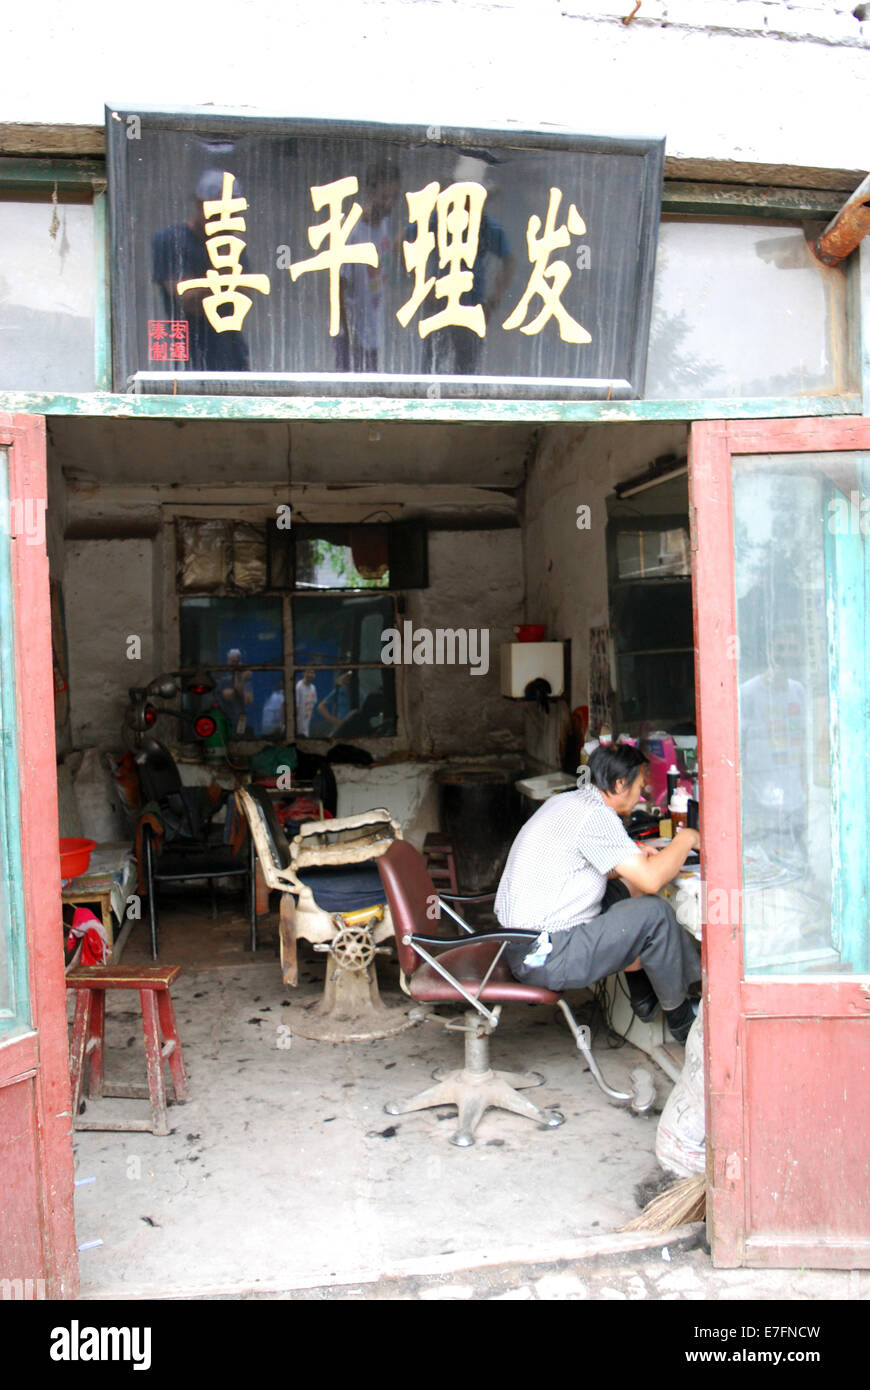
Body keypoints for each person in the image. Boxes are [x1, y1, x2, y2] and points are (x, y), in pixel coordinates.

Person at [495, 742, 701, 1042]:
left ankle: (644, 998)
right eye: (640, 786)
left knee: (628, 888)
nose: (642, 795)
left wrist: (633, 860)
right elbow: (652, 881)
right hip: (546, 955)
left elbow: (607, 870)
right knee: (654, 912)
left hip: (523, 944)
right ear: (620, 783)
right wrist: (687, 839)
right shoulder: (595, 817)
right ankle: (682, 1019)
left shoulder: (569, 802)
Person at [294, 668, 318, 737]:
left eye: (312, 673)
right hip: (297, 726)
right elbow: (295, 706)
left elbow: (313, 702)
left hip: (306, 724)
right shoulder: (298, 687)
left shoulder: (313, 688)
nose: (310, 675)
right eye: (308, 672)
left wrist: (310, 713)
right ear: (303, 673)